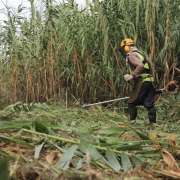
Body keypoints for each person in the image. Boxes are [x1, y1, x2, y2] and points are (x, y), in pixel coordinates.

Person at [119, 38, 156, 124]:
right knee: (149, 104)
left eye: (123, 48)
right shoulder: (140, 54)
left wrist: (132, 75)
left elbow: (140, 66)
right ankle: (153, 125)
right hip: (149, 81)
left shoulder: (131, 55)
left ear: (126, 47)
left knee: (131, 102)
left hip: (142, 81)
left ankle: (132, 124)